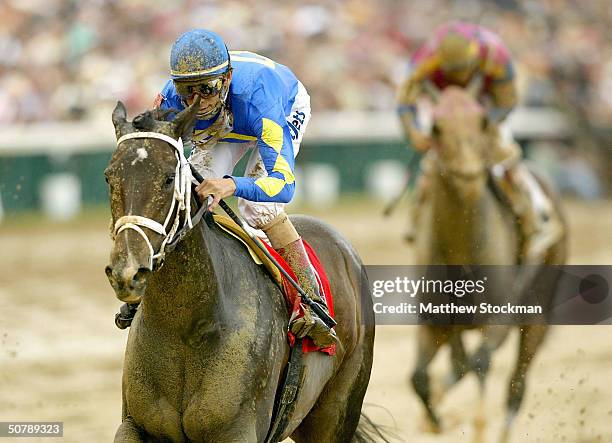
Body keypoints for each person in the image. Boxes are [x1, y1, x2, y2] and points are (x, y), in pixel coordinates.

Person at [115, 29, 336, 348]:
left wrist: (232, 184)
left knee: (258, 208)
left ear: (228, 77)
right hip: (228, 120)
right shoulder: (170, 100)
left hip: (277, 108)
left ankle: (313, 299)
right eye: (188, 90)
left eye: (206, 88)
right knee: (193, 192)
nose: (197, 102)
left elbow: (283, 185)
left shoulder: (261, 98)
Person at [396, 21, 563, 262]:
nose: (461, 76)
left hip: (487, 101)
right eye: (453, 70)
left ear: (475, 59)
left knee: (505, 157)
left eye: (465, 68)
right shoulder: (424, 60)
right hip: (446, 106)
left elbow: (507, 101)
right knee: (434, 163)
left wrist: (485, 123)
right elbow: (404, 101)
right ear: (441, 62)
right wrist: (413, 132)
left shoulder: (495, 54)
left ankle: (537, 216)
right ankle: (417, 220)